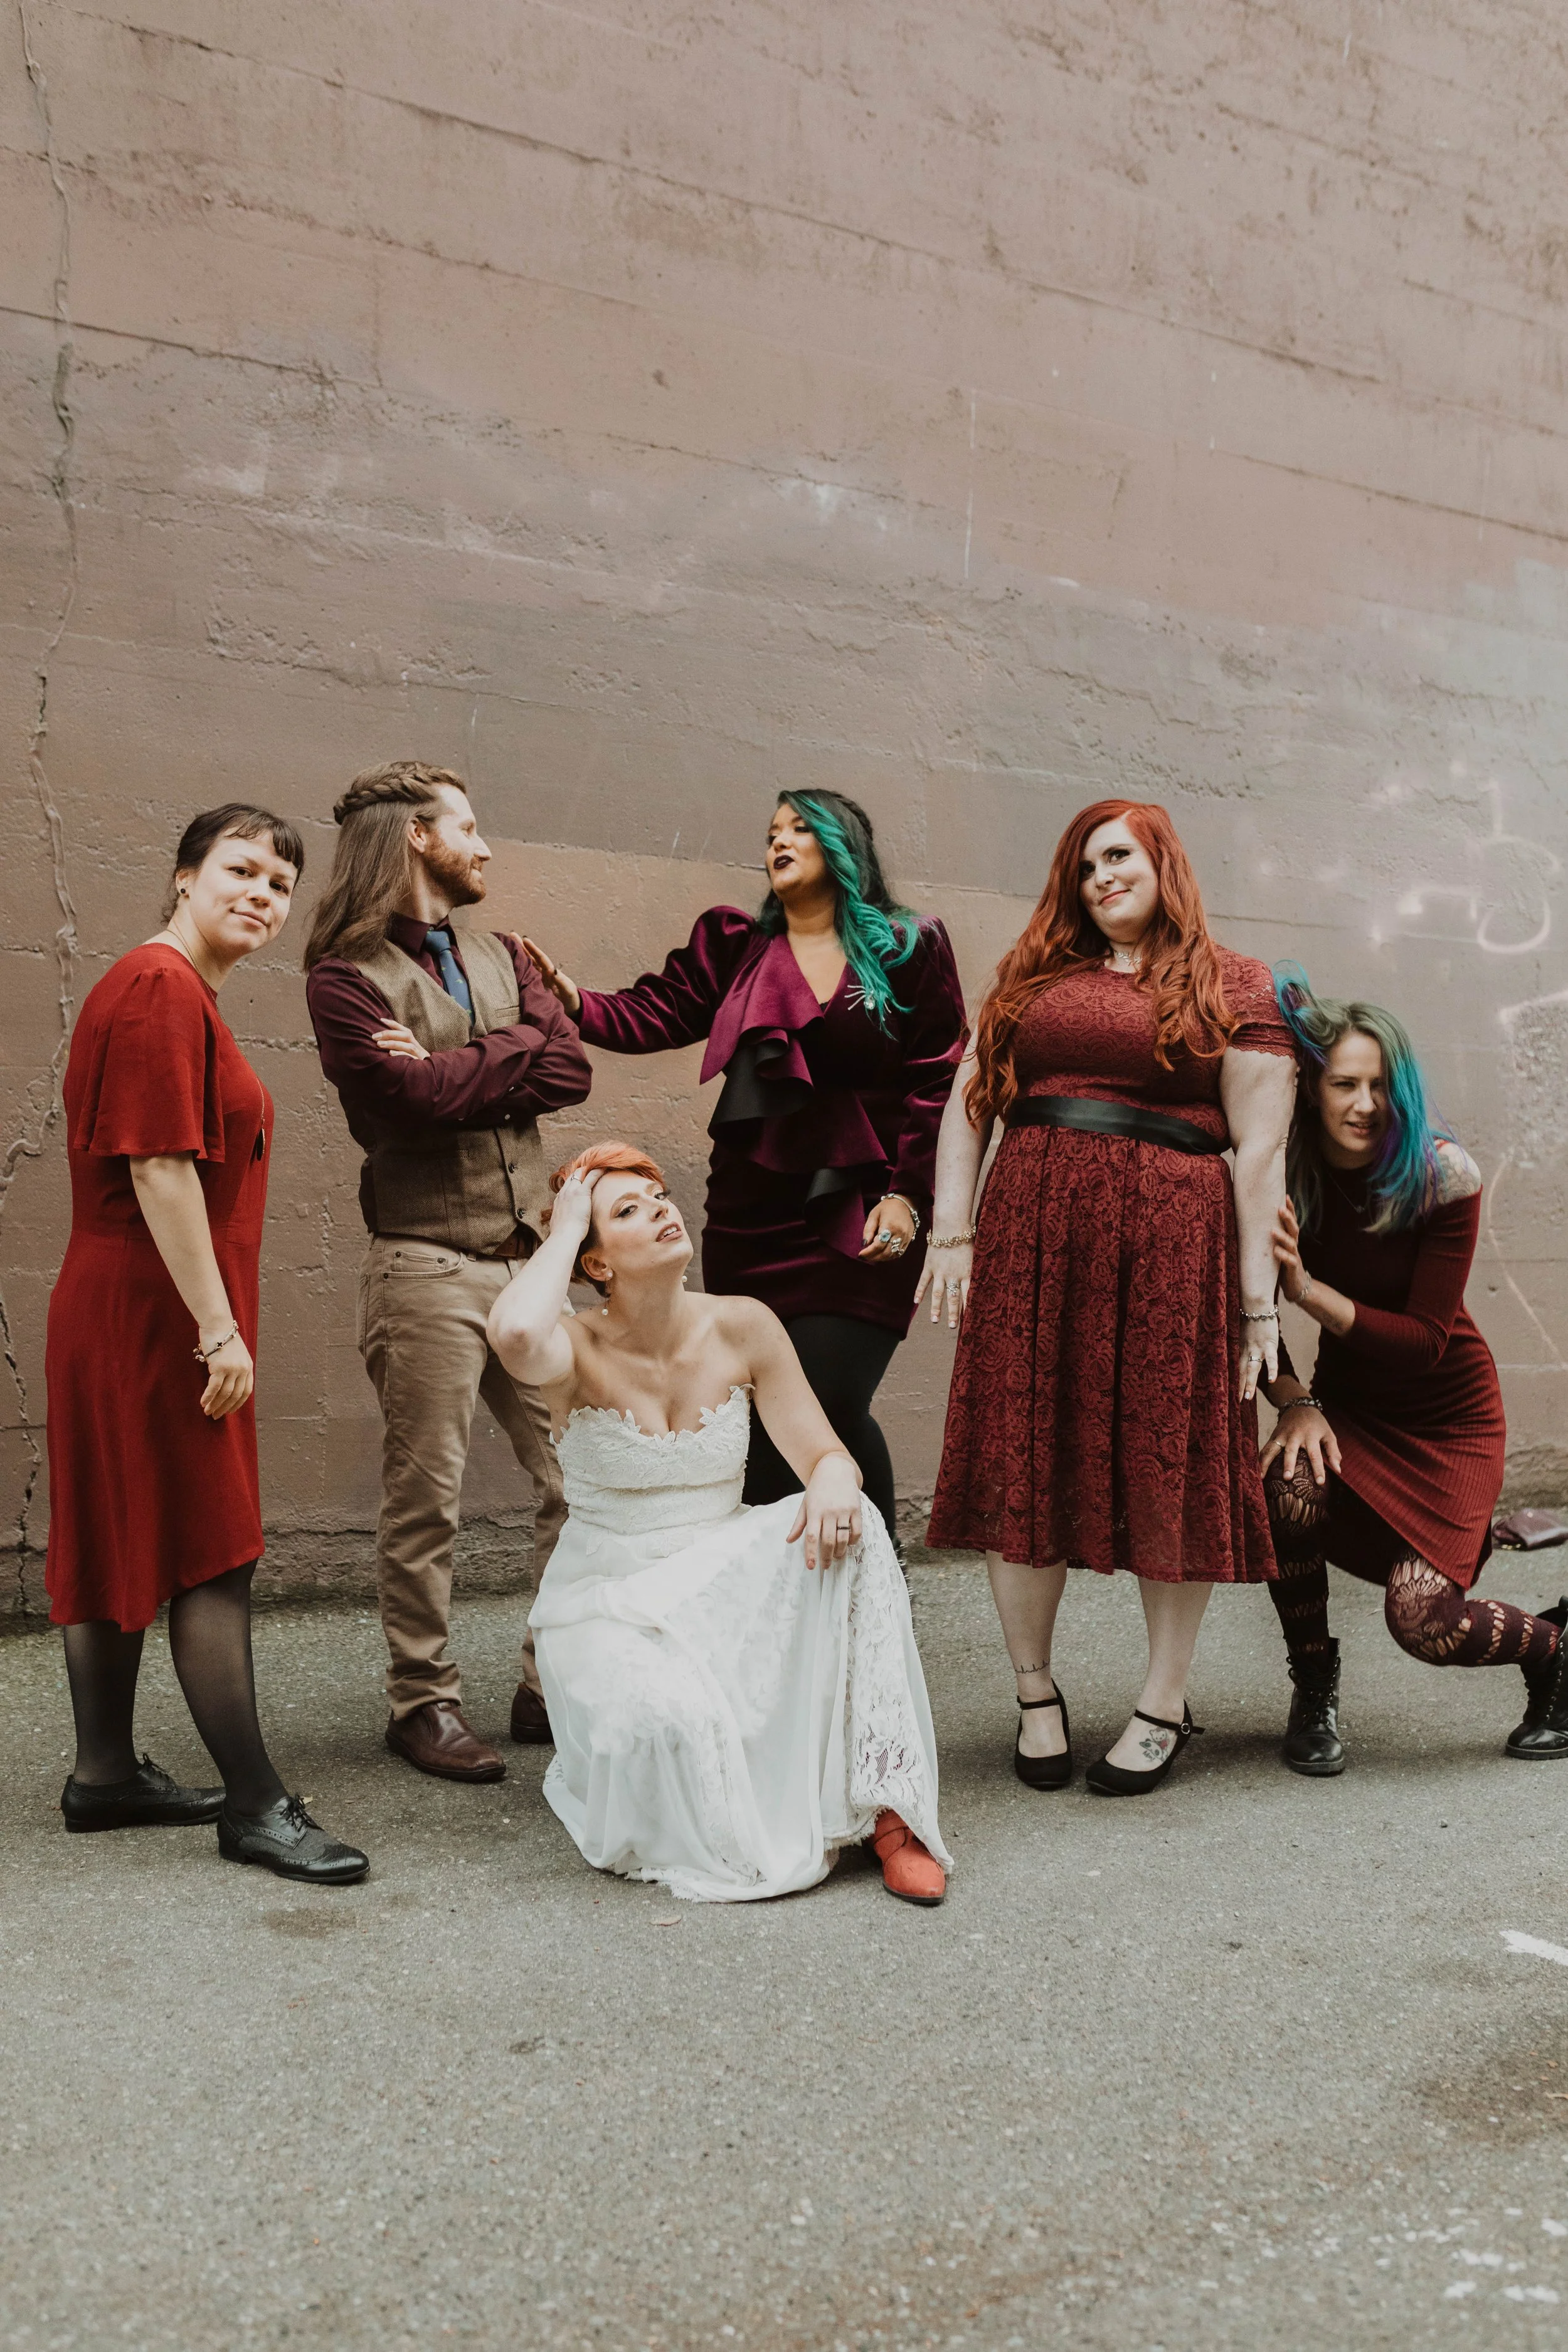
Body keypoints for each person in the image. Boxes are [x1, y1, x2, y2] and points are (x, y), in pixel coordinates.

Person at [921, 800, 1297, 1795]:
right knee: (1022, 1453)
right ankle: (1034, 1691)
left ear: (1164, 862)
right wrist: (951, 1229)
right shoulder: (1036, 977)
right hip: (1031, 1244)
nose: (1101, 878)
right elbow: (970, 1101)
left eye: (1119, 856)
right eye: (1086, 865)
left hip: (1176, 1252)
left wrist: (1258, 1307)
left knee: (1170, 1462)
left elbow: (1259, 1154)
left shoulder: (1237, 982)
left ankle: (1162, 1703)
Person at [485, 1142, 951, 1904]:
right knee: (663, 1732)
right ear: (596, 1262)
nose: (661, 1210)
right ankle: (785, 1803)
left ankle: (891, 1814)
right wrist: (566, 1224)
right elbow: (512, 1336)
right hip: (612, 1594)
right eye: (627, 1212)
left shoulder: (744, 1325)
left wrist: (834, 1480)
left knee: (856, 1522)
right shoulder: (570, 1345)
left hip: (722, 1570)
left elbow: (824, 1453)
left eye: (658, 1197)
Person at [45, 806, 368, 1883]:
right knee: (212, 1550)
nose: (261, 894)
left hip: (134, 1305)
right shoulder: (157, 986)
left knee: (122, 1533)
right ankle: (257, 1805)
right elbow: (160, 1168)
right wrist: (217, 1327)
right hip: (157, 1312)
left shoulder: (179, 993)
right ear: (184, 876)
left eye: (280, 884)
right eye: (240, 868)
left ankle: (104, 1776)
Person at [522, 791, 966, 1544]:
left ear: (842, 844)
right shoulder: (735, 944)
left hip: (862, 1212)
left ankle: (871, 1606)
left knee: (827, 1403)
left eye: (799, 829)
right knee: (756, 1411)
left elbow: (939, 1074)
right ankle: (775, 1603)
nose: (779, 842)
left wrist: (908, 1196)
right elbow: (656, 1013)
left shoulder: (906, 943)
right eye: (770, 833)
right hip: (749, 1215)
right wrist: (573, 1000)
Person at [304, 762, 592, 1783]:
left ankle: (547, 1683)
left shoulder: (501, 950)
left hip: (528, 1264)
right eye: (467, 827)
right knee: (426, 1496)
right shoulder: (341, 979)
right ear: (416, 839)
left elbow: (573, 1068)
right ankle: (420, 1706)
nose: (484, 846)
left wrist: (454, 1062)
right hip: (423, 1265)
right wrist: (503, 1055)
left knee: (583, 1478)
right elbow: (403, 1108)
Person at [1257, 970, 1567, 1771]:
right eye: (1344, 1084)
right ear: (1310, 1088)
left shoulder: (1440, 1173)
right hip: (1350, 1411)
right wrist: (1293, 1401)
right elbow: (1245, 1315)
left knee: (1424, 1618)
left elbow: (1427, 1339)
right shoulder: (1278, 1173)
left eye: (1380, 1086)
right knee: (1288, 1484)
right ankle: (1313, 1687)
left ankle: (1556, 1654)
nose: (1365, 1104)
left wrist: (1311, 1293)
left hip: (1449, 1419)